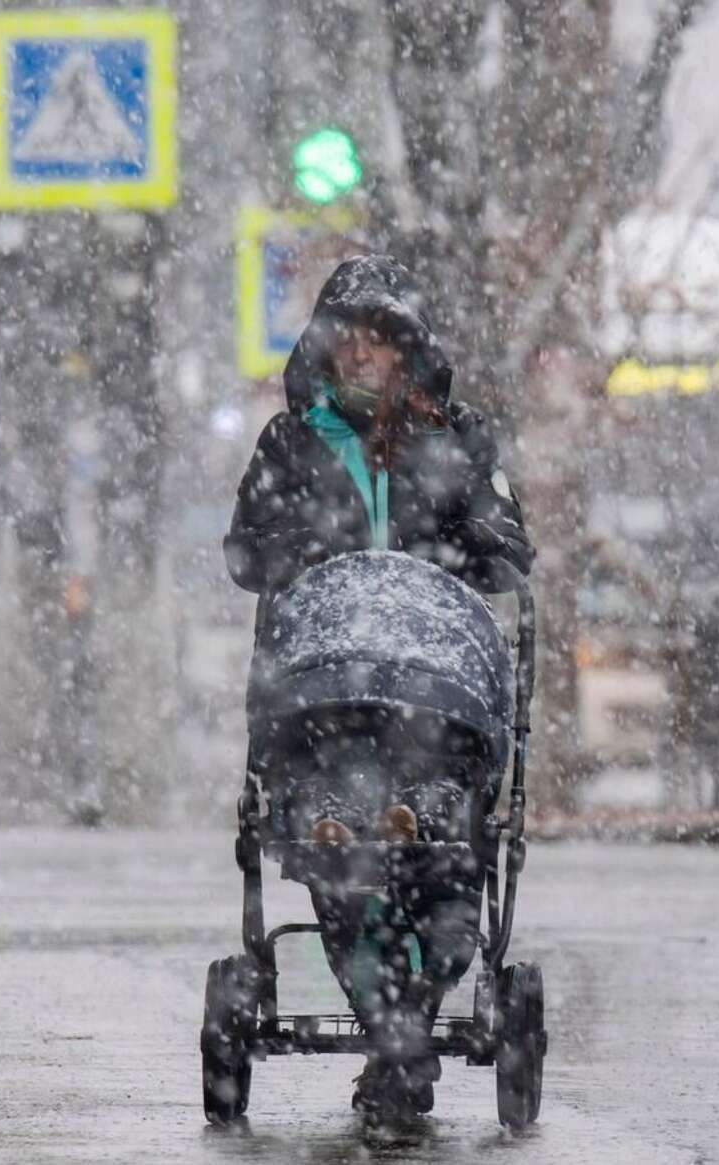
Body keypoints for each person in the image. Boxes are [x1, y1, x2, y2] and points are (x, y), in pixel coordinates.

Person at [224, 254, 533, 1118]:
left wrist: (468, 532)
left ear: (407, 352)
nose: (364, 356)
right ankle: (397, 1031)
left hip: (437, 695)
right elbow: (245, 552)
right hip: (330, 695)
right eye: (349, 339)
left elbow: (511, 550)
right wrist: (299, 544)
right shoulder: (290, 441)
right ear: (327, 348)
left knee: (441, 850)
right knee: (340, 846)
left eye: (381, 341)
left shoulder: (457, 438)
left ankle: (400, 1027)